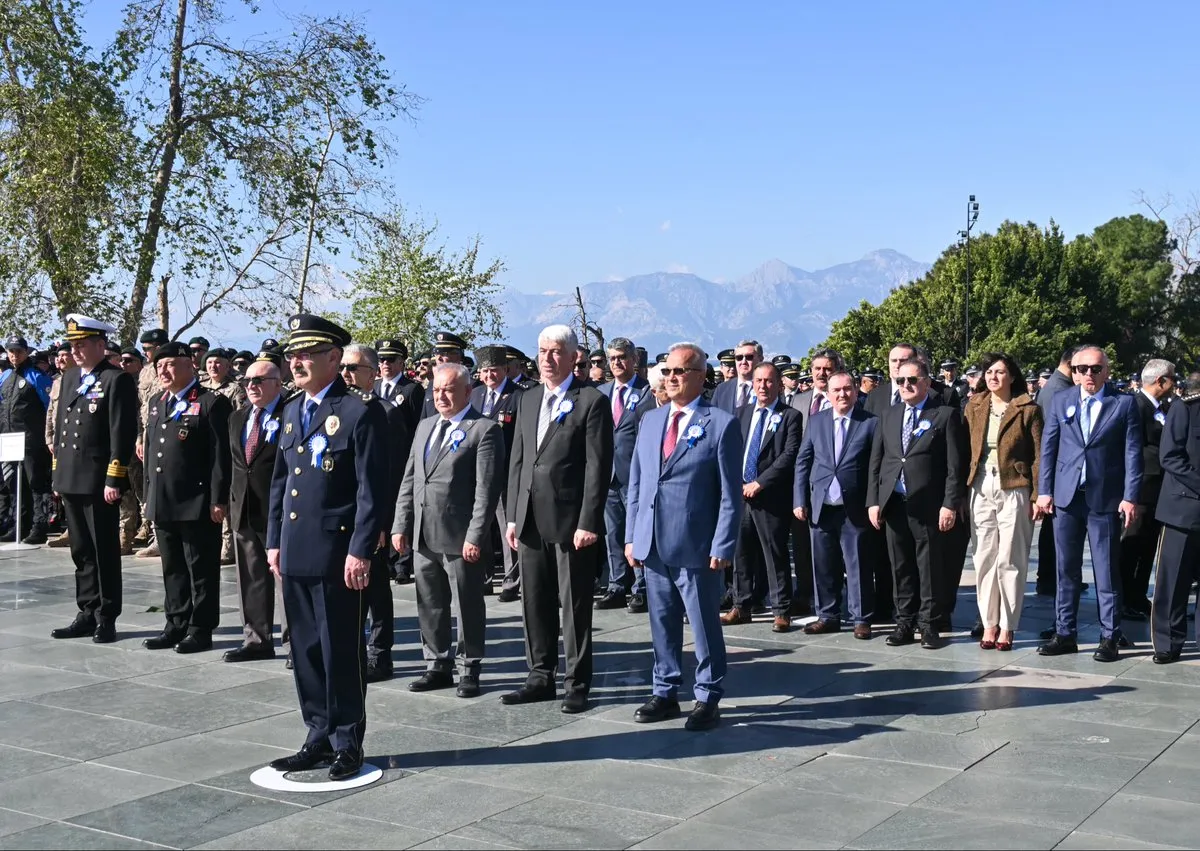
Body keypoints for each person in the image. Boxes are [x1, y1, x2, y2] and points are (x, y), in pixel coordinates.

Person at [266, 314, 387, 782]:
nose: (295, 361)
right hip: (296, 551)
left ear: (334, 358)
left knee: (341, 649)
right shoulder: (292, 410)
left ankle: (345, 740)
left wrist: (361, 550)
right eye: (292, 354)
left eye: (306, 354)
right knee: (306, 649)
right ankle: (316, 733)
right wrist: (275, 540)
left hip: (338, 554)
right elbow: (282, 484)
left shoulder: (359, 411)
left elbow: (370, 491)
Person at [625, 342, 742, 730]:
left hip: (696, 544)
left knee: (704, 625)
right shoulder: (652, 421)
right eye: (667, 372)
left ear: (699, 376)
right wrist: (632, 536)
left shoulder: (720, 424)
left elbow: (729, 491)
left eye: (679, 372)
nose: (670, 378)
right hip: (653, 541)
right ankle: (665, 690)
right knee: (661, 622)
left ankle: (707, 695)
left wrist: (723, 543)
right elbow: (638, 484)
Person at [502, 324, 613, 714]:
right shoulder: (528, 399)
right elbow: (518, 462)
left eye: (555, 352)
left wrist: (589, 521)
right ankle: (539, 675)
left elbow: (598, 468)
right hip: (531, 519)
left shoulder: (591, 401)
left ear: (572, 357)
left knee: (575, 604)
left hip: (570, 522)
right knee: (534, 602)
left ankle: (577, 682)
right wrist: (514, 516)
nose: (547, 359)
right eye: (542, 351)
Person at [393, 363, 504, 698]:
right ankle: (436, 663)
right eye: (436, 390)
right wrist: (401, 524)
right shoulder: (426, 426)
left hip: (460, 536)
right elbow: (410, 479)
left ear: (468, 392)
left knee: (467, 604)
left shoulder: (483, 429)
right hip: (424, 535)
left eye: (449, 389)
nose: (441, 396)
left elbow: (486, 490)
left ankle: (469, 667)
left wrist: (476, 535)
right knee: (429, 602)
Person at [1037, 345, 1142, 662]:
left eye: (1096, 368)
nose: (1089, 375)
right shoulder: (1061, 400)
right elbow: (1049, 449)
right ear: (1073, 371)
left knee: (1106, 570)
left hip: (1104, 498)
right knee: (1065, 569)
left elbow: (1132, 453)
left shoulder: (1123, 404)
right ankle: (1064, 632)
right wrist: (1045, 491)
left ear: (1106, 371)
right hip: (1067, 497)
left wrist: (1130, 496)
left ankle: (1109, 636)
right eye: (1082, 369)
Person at [867, 356, 967, 650]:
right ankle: (905, 622)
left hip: (928, 504)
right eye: (901, 381)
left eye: (912, 380)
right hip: (895, 502)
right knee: (901, 568)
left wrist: (950, 503)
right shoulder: (889, 415)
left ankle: (929, 624)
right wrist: (874, 501)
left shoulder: (944, 415)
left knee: (929, 567)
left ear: (926, 381)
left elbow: (954, 466)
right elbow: (878, 462)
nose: (906, 385)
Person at [48, 315, 138, 643]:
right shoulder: (70, 377)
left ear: (101, 345)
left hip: (98, 479)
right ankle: (86, 610)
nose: (76, 351)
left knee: (103, 550)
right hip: (71, 476)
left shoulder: (116, 379)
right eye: (72, 345)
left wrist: (114, 478)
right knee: (81, 550)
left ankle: (106, 615)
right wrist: (58, 474)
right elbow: (61, 431)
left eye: (82, 344)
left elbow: (121, 433)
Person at [141, 341, 232, 654]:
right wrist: (147, 493)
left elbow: (221, 456)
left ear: (190, 365)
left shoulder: (210, 402)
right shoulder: (157, 402)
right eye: (159, 366)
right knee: (173, 568)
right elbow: (151, 450)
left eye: (170, 365)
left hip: (197, 500)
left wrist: (218, 499)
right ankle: (175, 622)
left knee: (201, 569)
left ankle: (200, 628)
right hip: (163, 500)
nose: (164, 371)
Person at [341, 343, 412, 681]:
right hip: (341, 517)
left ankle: (379, 654)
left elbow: (391, 473)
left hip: (372, 517)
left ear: (371, 374)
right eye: (343, 367)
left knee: (377, 589)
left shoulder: (384, 412)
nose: (346, 374)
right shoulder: (337, 410)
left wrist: (385, 522)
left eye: (353, 368)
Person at [963, 353, 1044, 651]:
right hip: (981, 482)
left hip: (1015, 485)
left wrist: (1037, 494)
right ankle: (989, 623)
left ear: (1012, 376)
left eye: (1000, 372)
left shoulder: (1028, 408)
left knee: (1011, 557)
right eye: (989, 372)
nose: (993, 377)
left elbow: (1038, 455)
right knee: (984, 557)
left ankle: (1008, 626)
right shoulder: (974, 406)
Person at [794, 370, 878, 639]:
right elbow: (803, 462)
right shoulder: (816, 421)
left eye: (847, 389)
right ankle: (828, 615)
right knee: (823, 565)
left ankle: (861, 618)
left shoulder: (870, 423)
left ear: (855, 391)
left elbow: (876, 468)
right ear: (828, 394)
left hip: (854, 507)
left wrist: (873, 503)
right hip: (821, 506)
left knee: (858, 565)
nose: (842, 394)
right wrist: (799, 499)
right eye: (837, 390)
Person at [724, 362, 802, 631]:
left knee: (774, 553)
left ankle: (781, 610)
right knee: (740, 553)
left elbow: (788, 455)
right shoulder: (742, 413)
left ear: (779, 384)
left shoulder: (790, 416)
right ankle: (741, 605)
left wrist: (760, 483)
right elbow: (732, 450)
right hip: (740, 493)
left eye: (769, 381)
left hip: (770, 496)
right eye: (758, 381)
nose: (763, 386)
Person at [225, 358, 289, 663]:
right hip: (245, 507)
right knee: (250, 577)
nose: (251, 385)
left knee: (285, 579)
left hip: (279, 509)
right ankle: (256, 640)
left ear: (278, 383)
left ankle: (295, 644)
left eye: (259, 380)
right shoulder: (238, 418)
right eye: (247, 380)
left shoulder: (291, 413)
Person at [596, 337, 651, 611]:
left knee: (637, 534)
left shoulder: (647, 392)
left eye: (622, 357)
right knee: (613, 533)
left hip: (635, 474)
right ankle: (617, 586)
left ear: (634, 360)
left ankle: (640, 587)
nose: (617, 362)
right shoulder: (601, 392)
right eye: (613, 358)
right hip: (608, 475)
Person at [1119, 358, 1175, 621]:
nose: (1175, 384)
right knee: (1131, 547)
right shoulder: (1135, 405)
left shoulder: (1161, 407)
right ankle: (1125, 599)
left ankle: (1139, 596)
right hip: (1141, 489)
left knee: (1147, 547)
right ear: (1160, 381)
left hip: (1157, 490)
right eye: (1171, 378)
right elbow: (1132, 449)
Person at [1150, 373, 1200, 664]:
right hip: (1183, 508)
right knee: (1173, 581)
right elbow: (1170, 456)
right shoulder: (1186, 407)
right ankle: (1168, 642)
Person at [469, 345, 524, 601]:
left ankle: (512, 581)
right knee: (481, 527)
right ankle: (484, 577)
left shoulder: (519, 395)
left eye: (494, 370)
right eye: (485, 370)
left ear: (505, 370)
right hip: (478, 472)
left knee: (506, 529)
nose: (489, 375)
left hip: (505, 473)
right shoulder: (474, 394)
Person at [0, 334, 54, 544]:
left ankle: (38, 526)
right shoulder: (5, 377)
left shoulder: (36, 376)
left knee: (35, 484)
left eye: (19, 351)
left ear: (26, 352)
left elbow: (49, 407)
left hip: (32, 441)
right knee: (14, 484)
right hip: (9, 440)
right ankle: (18, 524)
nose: (14, 356)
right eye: (11, 351)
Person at [1034, 347, 1077, 596]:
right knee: (1053, 530)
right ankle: (1048, 577)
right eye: (1081, 369)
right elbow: (1053, 438)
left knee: (1054, 530)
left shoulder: (1057, 386)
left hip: (1059, 469)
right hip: (1059, 469)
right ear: (1071, 365)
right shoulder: (1059, 390)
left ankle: (1051, 576)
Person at [373, 337, 423, 432]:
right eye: (382, 359)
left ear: (401, 362)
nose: (385, 363)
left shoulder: (412, 389)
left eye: (390, 359)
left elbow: (418, 425)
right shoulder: (373, 386)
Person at [711, 340, 761, 413]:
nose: (743, 362)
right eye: (739, 358)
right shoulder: (722, 389)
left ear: (760, 359)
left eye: (749, 357)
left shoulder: (766, 388)